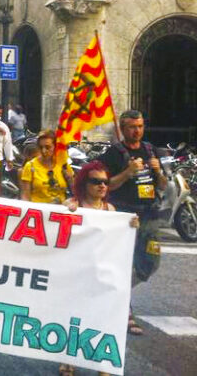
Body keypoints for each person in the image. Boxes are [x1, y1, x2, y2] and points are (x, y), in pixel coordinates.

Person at [60, 161, 137, 376]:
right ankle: (68, 361)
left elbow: (115, 239)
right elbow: (60, 219)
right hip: (76, 272)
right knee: (73, 317)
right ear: (84, 184)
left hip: (100, 272)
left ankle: (102, 363)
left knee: (102, 317)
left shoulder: (110, 209)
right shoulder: (74, 203)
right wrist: (68, 210)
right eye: (96, 182)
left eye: (104, 182)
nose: (102, 186)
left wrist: (130, 226)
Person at [96, 109, 167, 336]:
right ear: (123, 128)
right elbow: (105, 187)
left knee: (150, 263)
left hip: (149, 216)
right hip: (125, 218)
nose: (137, 131)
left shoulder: (150, 150)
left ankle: (118, 294)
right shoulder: (113, 154)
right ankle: (124, 310)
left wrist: (158, 172)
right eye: (132, 127)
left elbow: (163, 185)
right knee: (122, 264)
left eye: (140, 126)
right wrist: (127, 172)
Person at [20, 130, 73, 205]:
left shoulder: (62, 164)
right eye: (41, 147)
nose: (44, 151)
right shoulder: (30, 166)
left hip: (60, 212)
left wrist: (70, 178)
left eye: (48, 147)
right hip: (39, 213)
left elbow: (75, 191)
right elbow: (25, 195)